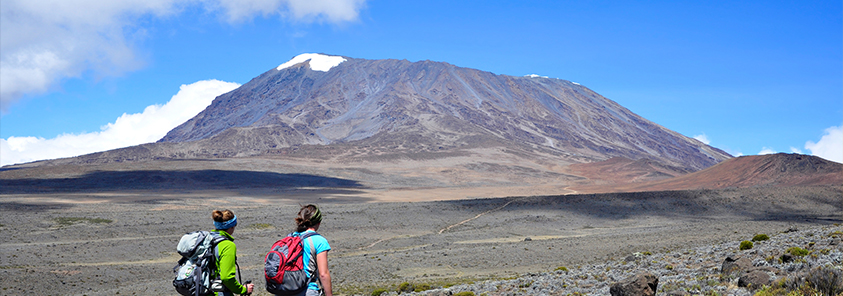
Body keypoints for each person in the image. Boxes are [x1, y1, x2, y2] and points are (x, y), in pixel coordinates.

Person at [211, 209, 255, 296]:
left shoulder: (207, 239)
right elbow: (226, 277)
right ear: (231, 226)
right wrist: (243, 289)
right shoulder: (227, 245)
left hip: (200, 290)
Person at [292, 204, 333, 296]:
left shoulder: (292, 237)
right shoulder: (319, 241)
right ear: (319, 222)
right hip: (307, 290)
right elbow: (323, 274)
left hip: (286, 288)